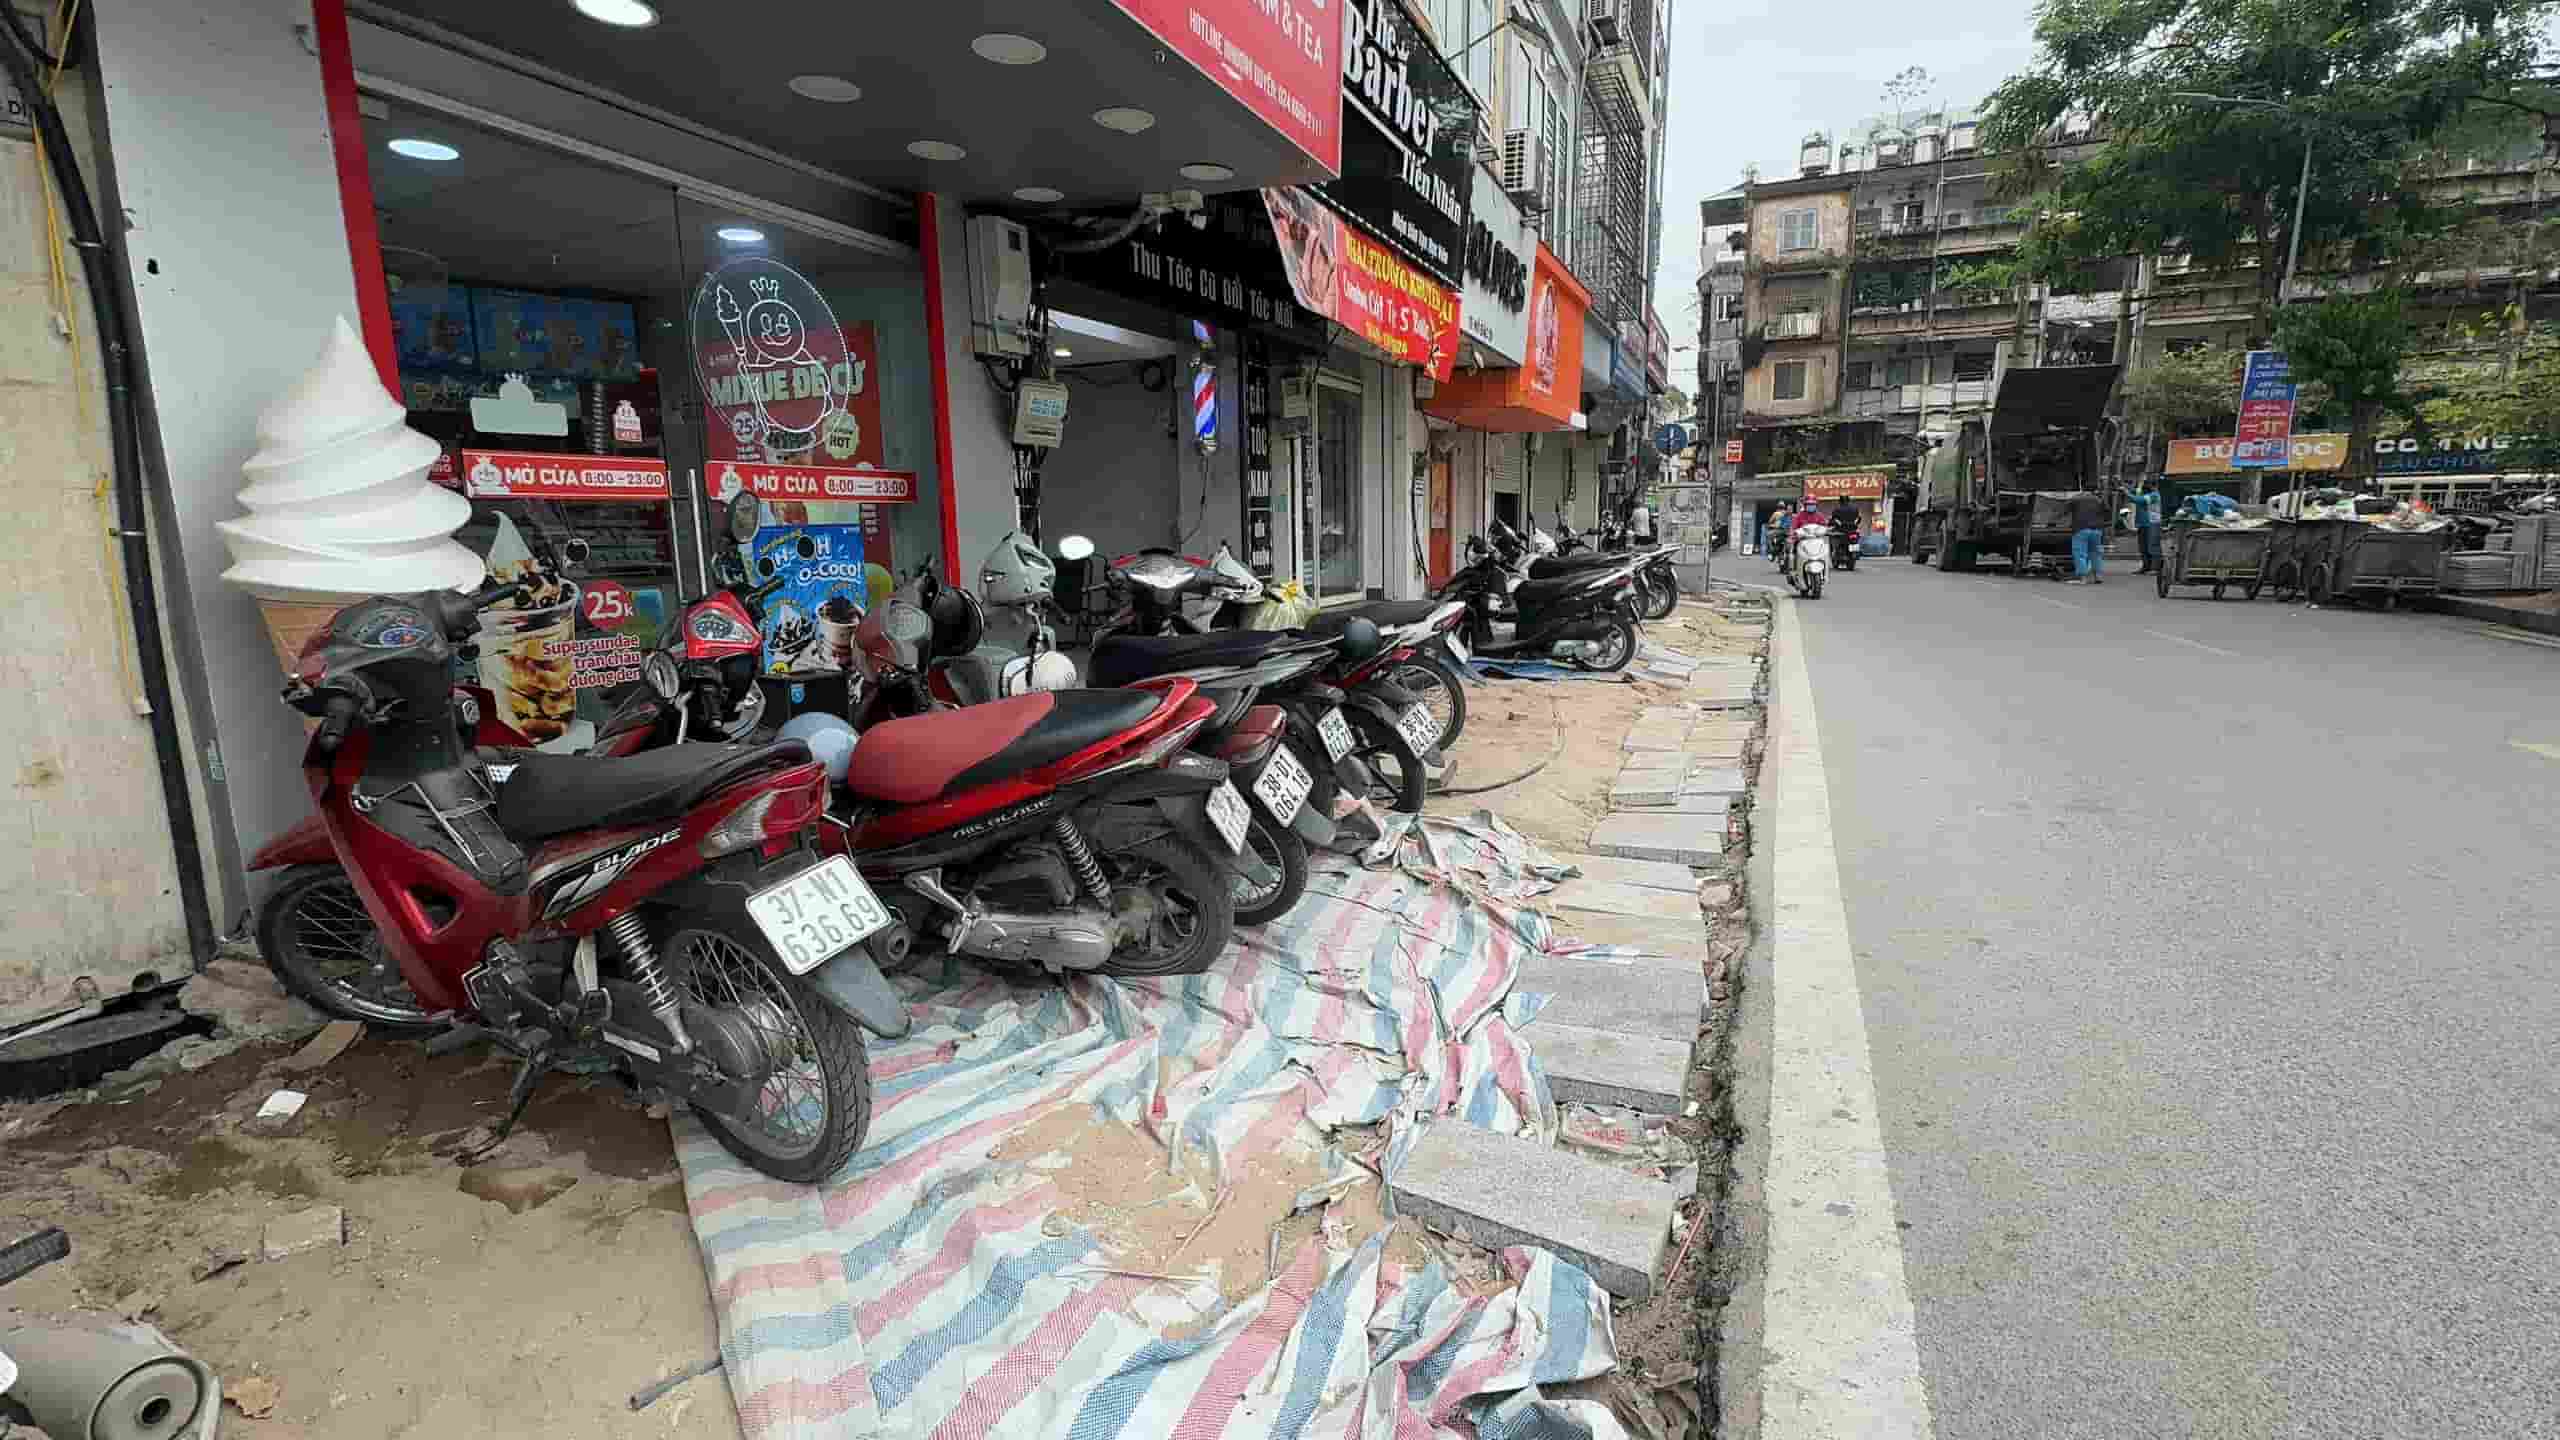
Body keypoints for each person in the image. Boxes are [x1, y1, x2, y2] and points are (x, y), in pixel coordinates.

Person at [2068, 489, 2110, 583]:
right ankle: (2098, 576)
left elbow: (2064, 510)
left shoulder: (2076, 498)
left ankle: (2083, 578)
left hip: (2081, 529)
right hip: (2097, 530)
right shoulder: (2098, 499)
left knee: (2080, 553)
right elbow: (2107, 510)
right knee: (2096, 554)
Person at [2128, 480, 2163, 573]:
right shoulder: (2146, 493)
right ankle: (2146, 566)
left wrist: (2125, 491)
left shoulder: (2154, 495)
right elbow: (2134, 493)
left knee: (2152, 546)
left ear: (2153, 486)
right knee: (2143, 547)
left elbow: (2137, 500)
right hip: (2143, 524)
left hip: (2152, 523)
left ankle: (2155, 568)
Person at [1830, 499, 1861, 564]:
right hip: (1853, 530)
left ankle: (1837, 554)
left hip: (1841, 531)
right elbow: (1859, 518)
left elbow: (1834, 519)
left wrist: (1833, 523)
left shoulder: (1837, 509)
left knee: (1834, 538)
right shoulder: (1855, 509)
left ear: (1840, 501)